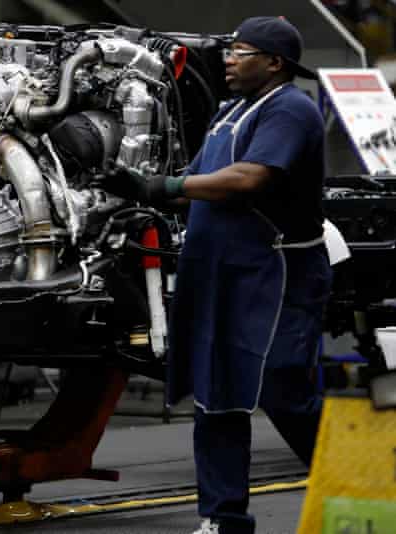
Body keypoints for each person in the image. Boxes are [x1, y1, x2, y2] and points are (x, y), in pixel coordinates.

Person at [105, 17, 331, 534]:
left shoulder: (291, 110)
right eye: (229, 48)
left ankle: (365, 484)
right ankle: (223, 518)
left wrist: (160, 187)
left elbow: (246, 179)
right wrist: (138, 202)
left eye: (241, 50)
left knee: (281, 384)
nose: (228, 57)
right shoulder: (231, 111)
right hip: (222, 273)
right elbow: (201, 183)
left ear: (274, 63)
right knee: (217, 393)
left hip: (278, 273)